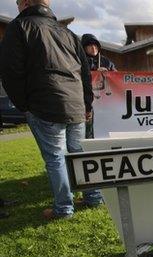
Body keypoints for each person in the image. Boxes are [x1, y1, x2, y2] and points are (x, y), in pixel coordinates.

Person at [0, 0, 101, 219]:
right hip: (75, 103)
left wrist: (24, 105)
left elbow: (10, 71)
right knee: (78, 154)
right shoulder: (67, 32)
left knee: (56, 157)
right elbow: (85, 73)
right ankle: (93, 197)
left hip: (44, 103)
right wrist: (86, 103)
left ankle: (64, 208)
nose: (17, 6)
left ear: (25, 3)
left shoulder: (19, 27)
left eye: (17, 2)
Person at [81, 33, 116, 139]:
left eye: (95, 45)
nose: (93, 48)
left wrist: (109, 73)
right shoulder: (78, 60)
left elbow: (117, 78)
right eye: (90, 45)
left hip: (104, 104)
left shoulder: (106, 61)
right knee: (85, 134)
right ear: (83, 47)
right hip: (84, 103)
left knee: (102, 132)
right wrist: (94, 73)